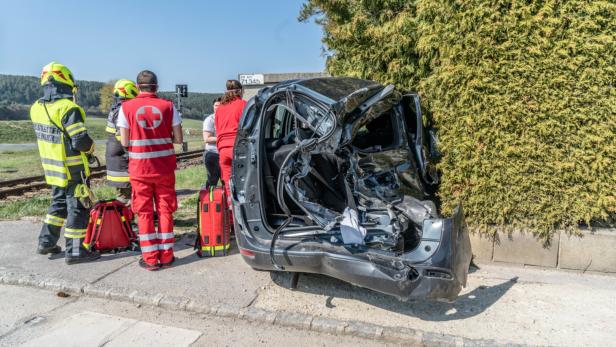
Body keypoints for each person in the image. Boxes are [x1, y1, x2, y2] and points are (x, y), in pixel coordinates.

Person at [31, 62, 100, 264]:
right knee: (78, 208)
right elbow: (79, 140)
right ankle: (76, 251)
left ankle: (46, 243)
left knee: (58, 205)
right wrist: (91, 148)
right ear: (66, 82)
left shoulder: (36, 108)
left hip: (53, 169)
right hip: (73, 168)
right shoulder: (69, 108)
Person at [117, 70, 183, 271]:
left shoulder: (126, 107)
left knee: (144, 212)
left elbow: (125, 141)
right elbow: (179, 139)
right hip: (164, 168)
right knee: (165, 210)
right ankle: (167, 255)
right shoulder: (169, 107)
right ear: (156, 87)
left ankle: (150, 258)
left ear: (137, 87)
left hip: (140, 169)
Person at [214, 80, 246, 218]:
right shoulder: (243, 105)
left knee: (228, 186)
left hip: (223, 150)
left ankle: (232, 219)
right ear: (240, 91)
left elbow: (217, 129)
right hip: (238, 148)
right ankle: (244, 217)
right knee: (244, 182)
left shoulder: (220, 108)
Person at [105, 79, 138, 204]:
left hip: (117, 160)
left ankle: (128, 221)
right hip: (122, 162)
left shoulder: (116, 109)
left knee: (127, 195)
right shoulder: (121, 111)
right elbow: (123, 137)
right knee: (126, 197)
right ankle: (126, 222)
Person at [202, 97, 221, 187]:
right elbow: (207, 138)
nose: (217, 107)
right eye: (216, 105)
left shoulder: (225, 118)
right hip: (213, 153)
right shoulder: (209, 120)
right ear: (213, 107)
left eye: (220, 106)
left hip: (223, 153)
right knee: (212, 180)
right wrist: (222, 138)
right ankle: (209, 200)